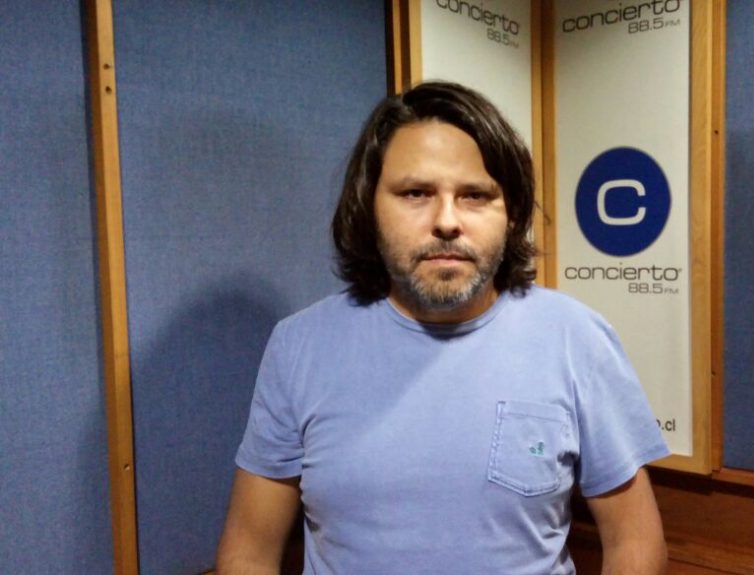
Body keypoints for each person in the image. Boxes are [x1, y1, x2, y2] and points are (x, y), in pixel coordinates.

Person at [217, 81, 670, 574]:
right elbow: (249, 552)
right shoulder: (299, 346)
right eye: (416, 193)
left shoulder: (577, 339)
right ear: (369, 207)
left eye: (475, 195)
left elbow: (634, 542)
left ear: (511, 213)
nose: (447, 221)